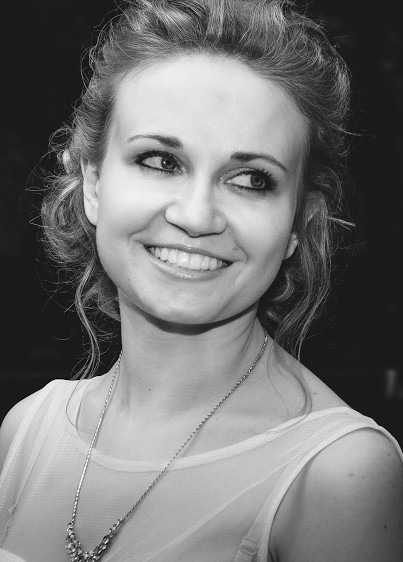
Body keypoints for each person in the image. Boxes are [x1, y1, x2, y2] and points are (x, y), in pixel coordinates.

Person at [1, 0, 402, 560]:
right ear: (93, 182)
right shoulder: (24, 431)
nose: (196, 216)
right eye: (160, 161)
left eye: (251, 180)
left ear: (297, 223)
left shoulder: (338, 475)